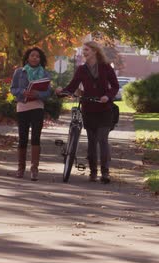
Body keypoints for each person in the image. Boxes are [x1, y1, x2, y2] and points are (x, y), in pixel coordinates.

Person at [56, 41, 119, 183]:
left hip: (105, 109)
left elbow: (115, 86)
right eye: (83, 50)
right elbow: (72, 87)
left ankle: (105, 172)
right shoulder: (81, 69)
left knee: (102, 139)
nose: (84, 52)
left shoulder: (106, 67)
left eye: (87, 50)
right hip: (88, 109)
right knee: (91, 141)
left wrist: (107, 96)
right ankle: (93, 172)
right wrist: (61, 92)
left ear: (95, 51)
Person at [10, 47, 52, 181]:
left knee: (35, 137)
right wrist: (22, 92)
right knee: (22, 138)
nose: (35, 58)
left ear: (40, 59)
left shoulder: (44, 74)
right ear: (27, 57)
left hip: (37, 107)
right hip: (22, 107)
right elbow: (13, 89)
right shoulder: (19, 72)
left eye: (37, 56)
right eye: (32, 55)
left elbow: (48, 93)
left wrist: (38, 94)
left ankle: (34, 170)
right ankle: (20, 169)